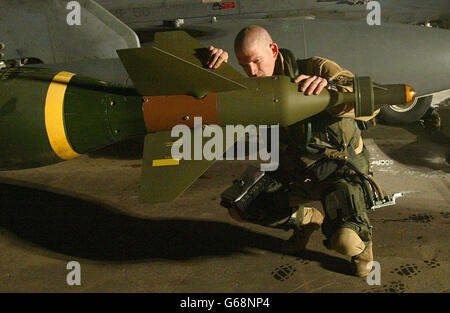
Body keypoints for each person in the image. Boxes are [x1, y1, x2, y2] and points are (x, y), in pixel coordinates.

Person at [208, 25, 379, 277]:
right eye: (245, 65)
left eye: (257, 61)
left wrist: (330, 92)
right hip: (292, 173)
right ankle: (307, 220)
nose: (252, 71)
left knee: (345, 240)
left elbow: (369, 105)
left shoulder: (315, 69)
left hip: (338, 171)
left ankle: (362, 247)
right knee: (240, 206)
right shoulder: (252, 87)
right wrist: (210, 69)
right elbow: (214, 108)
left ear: (273, 50)